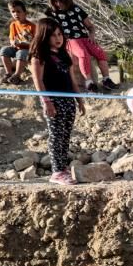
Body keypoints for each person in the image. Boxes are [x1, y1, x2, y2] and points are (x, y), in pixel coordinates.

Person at [30, 17, 86, 186]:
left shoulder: (64, 55)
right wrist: (46, 102)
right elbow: (38, 81)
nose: (58, 38)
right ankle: (57, 172)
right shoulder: (39, 56)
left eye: (60, 34)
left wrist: (79, 100)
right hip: (53, 100)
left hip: (68, 100)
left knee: (65, 135)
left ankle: (62, 168)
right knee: (56, 135)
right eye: (53, 35)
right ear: (44, 36)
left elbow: (73, 80)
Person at [45, 0, 119, 92]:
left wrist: (92, 35)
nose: (58, 3)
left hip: (85, 37)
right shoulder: (51, 13)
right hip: (69, 39)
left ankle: (106, 79)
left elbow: (91, 26)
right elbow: (48, 30)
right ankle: (89, 83)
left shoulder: (76, 9)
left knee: (100, 53)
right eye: (55, 1)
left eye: (61, 0)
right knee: (82, 54)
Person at [0, 0, 36, 85]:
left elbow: (35, 43)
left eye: (18, 11)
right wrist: (13, 42)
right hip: (16, 48)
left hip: (28, 50)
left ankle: (17, 76)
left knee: (21, 53)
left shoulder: (32, 26)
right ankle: (9, 74)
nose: (15, 14)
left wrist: (23, 44)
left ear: (25, 13)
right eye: (13, 12)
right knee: (4, 50)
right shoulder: (13, 25)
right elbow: (11, 39)